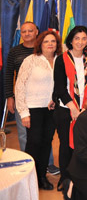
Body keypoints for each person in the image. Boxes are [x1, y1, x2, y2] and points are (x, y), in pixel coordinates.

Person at [52, 26, 87, 191]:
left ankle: (80, 176)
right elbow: (59, 87)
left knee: (83, 144)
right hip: (66, 108)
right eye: (77, 38)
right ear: (70, 40)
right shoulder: (61, 58)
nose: (80, 42)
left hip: (86, 108)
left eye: (84, 38)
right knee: (66, 144)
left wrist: (86, 107)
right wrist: (72, 107)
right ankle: (65, 178)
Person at [15, 31, 61, 190]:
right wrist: (24, 112)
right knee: (34, 143)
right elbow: (19, 86)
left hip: (51, 109)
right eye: (46, 41)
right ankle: (28, 178)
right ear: (40, 44)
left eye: (53, 41)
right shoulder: (31, 60)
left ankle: (41, 176)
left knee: (46, 143)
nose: (50, 44)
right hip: (33, 108)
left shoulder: (60, 60)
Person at [4, 22, 39, 153]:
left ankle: (48, 163)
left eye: (30, 31)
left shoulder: (44, 49)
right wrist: (9, 97)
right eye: (24, 31)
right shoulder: (14, 52)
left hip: (41, 98)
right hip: (21, 97)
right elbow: (8, 75)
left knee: (42, 133)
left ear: (36, 32)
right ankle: (27, 161)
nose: (27, 34)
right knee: (23, 133)